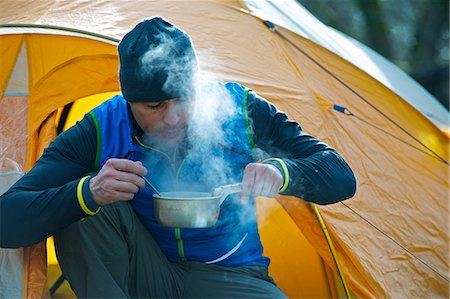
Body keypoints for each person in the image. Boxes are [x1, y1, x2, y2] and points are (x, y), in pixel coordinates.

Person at [0, 17, 357, 298]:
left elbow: (341, 176)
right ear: (128, 99)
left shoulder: (240, 110)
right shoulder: (100, 127)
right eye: (154, 106)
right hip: (145, 271)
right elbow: (6, 220)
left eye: (183, 100)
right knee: (86, 199)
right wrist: (88, 193)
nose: (171, 118)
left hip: (232, 277)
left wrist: (282, 173)